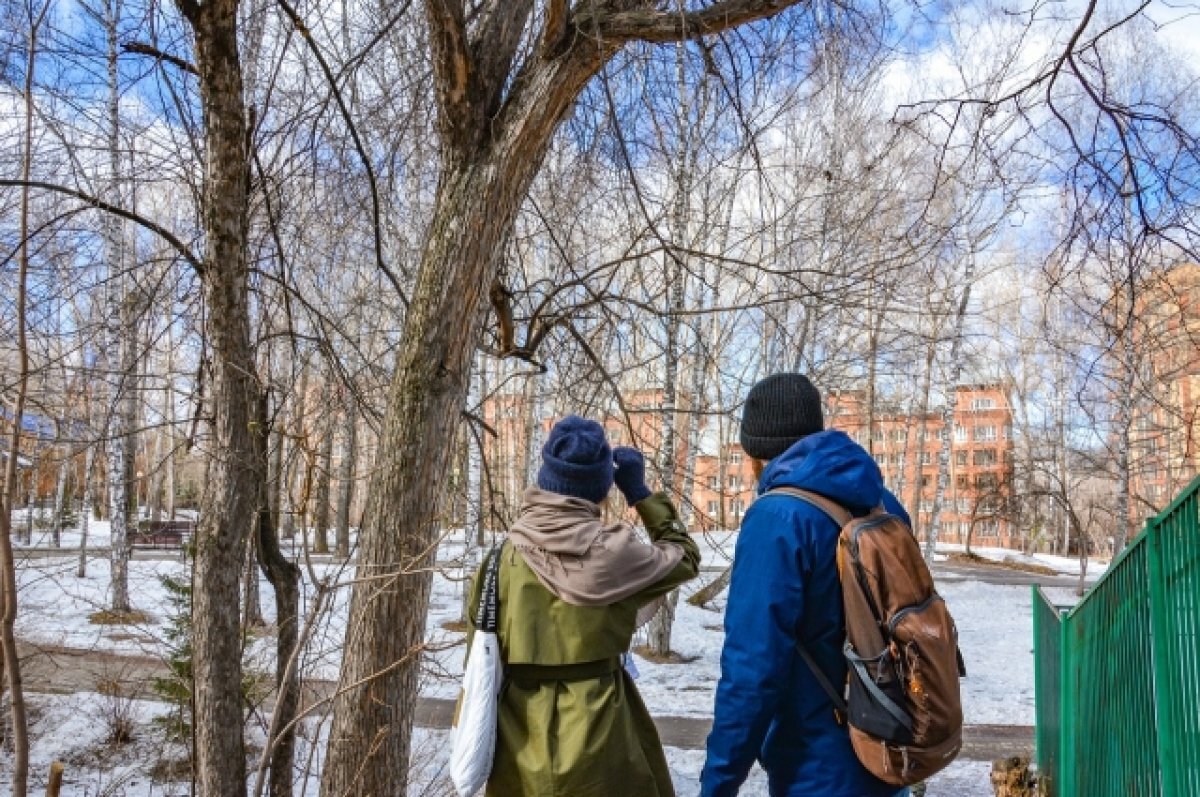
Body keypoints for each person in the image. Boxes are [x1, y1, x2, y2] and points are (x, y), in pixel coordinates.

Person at [701, 373, 913, 797]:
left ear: (754, 451)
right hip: (886, 743)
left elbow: (752, 670)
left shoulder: (777, 518)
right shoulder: (881, 503)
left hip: (818, 764)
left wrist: (718, 783)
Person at [471, 414, 700, 797]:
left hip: (518, 735)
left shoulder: (499, 561)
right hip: (604, 730)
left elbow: (478, 657)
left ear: (545, 480)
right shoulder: (618, 556)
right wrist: (641, 493)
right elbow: (686, 557)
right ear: (601, 488)